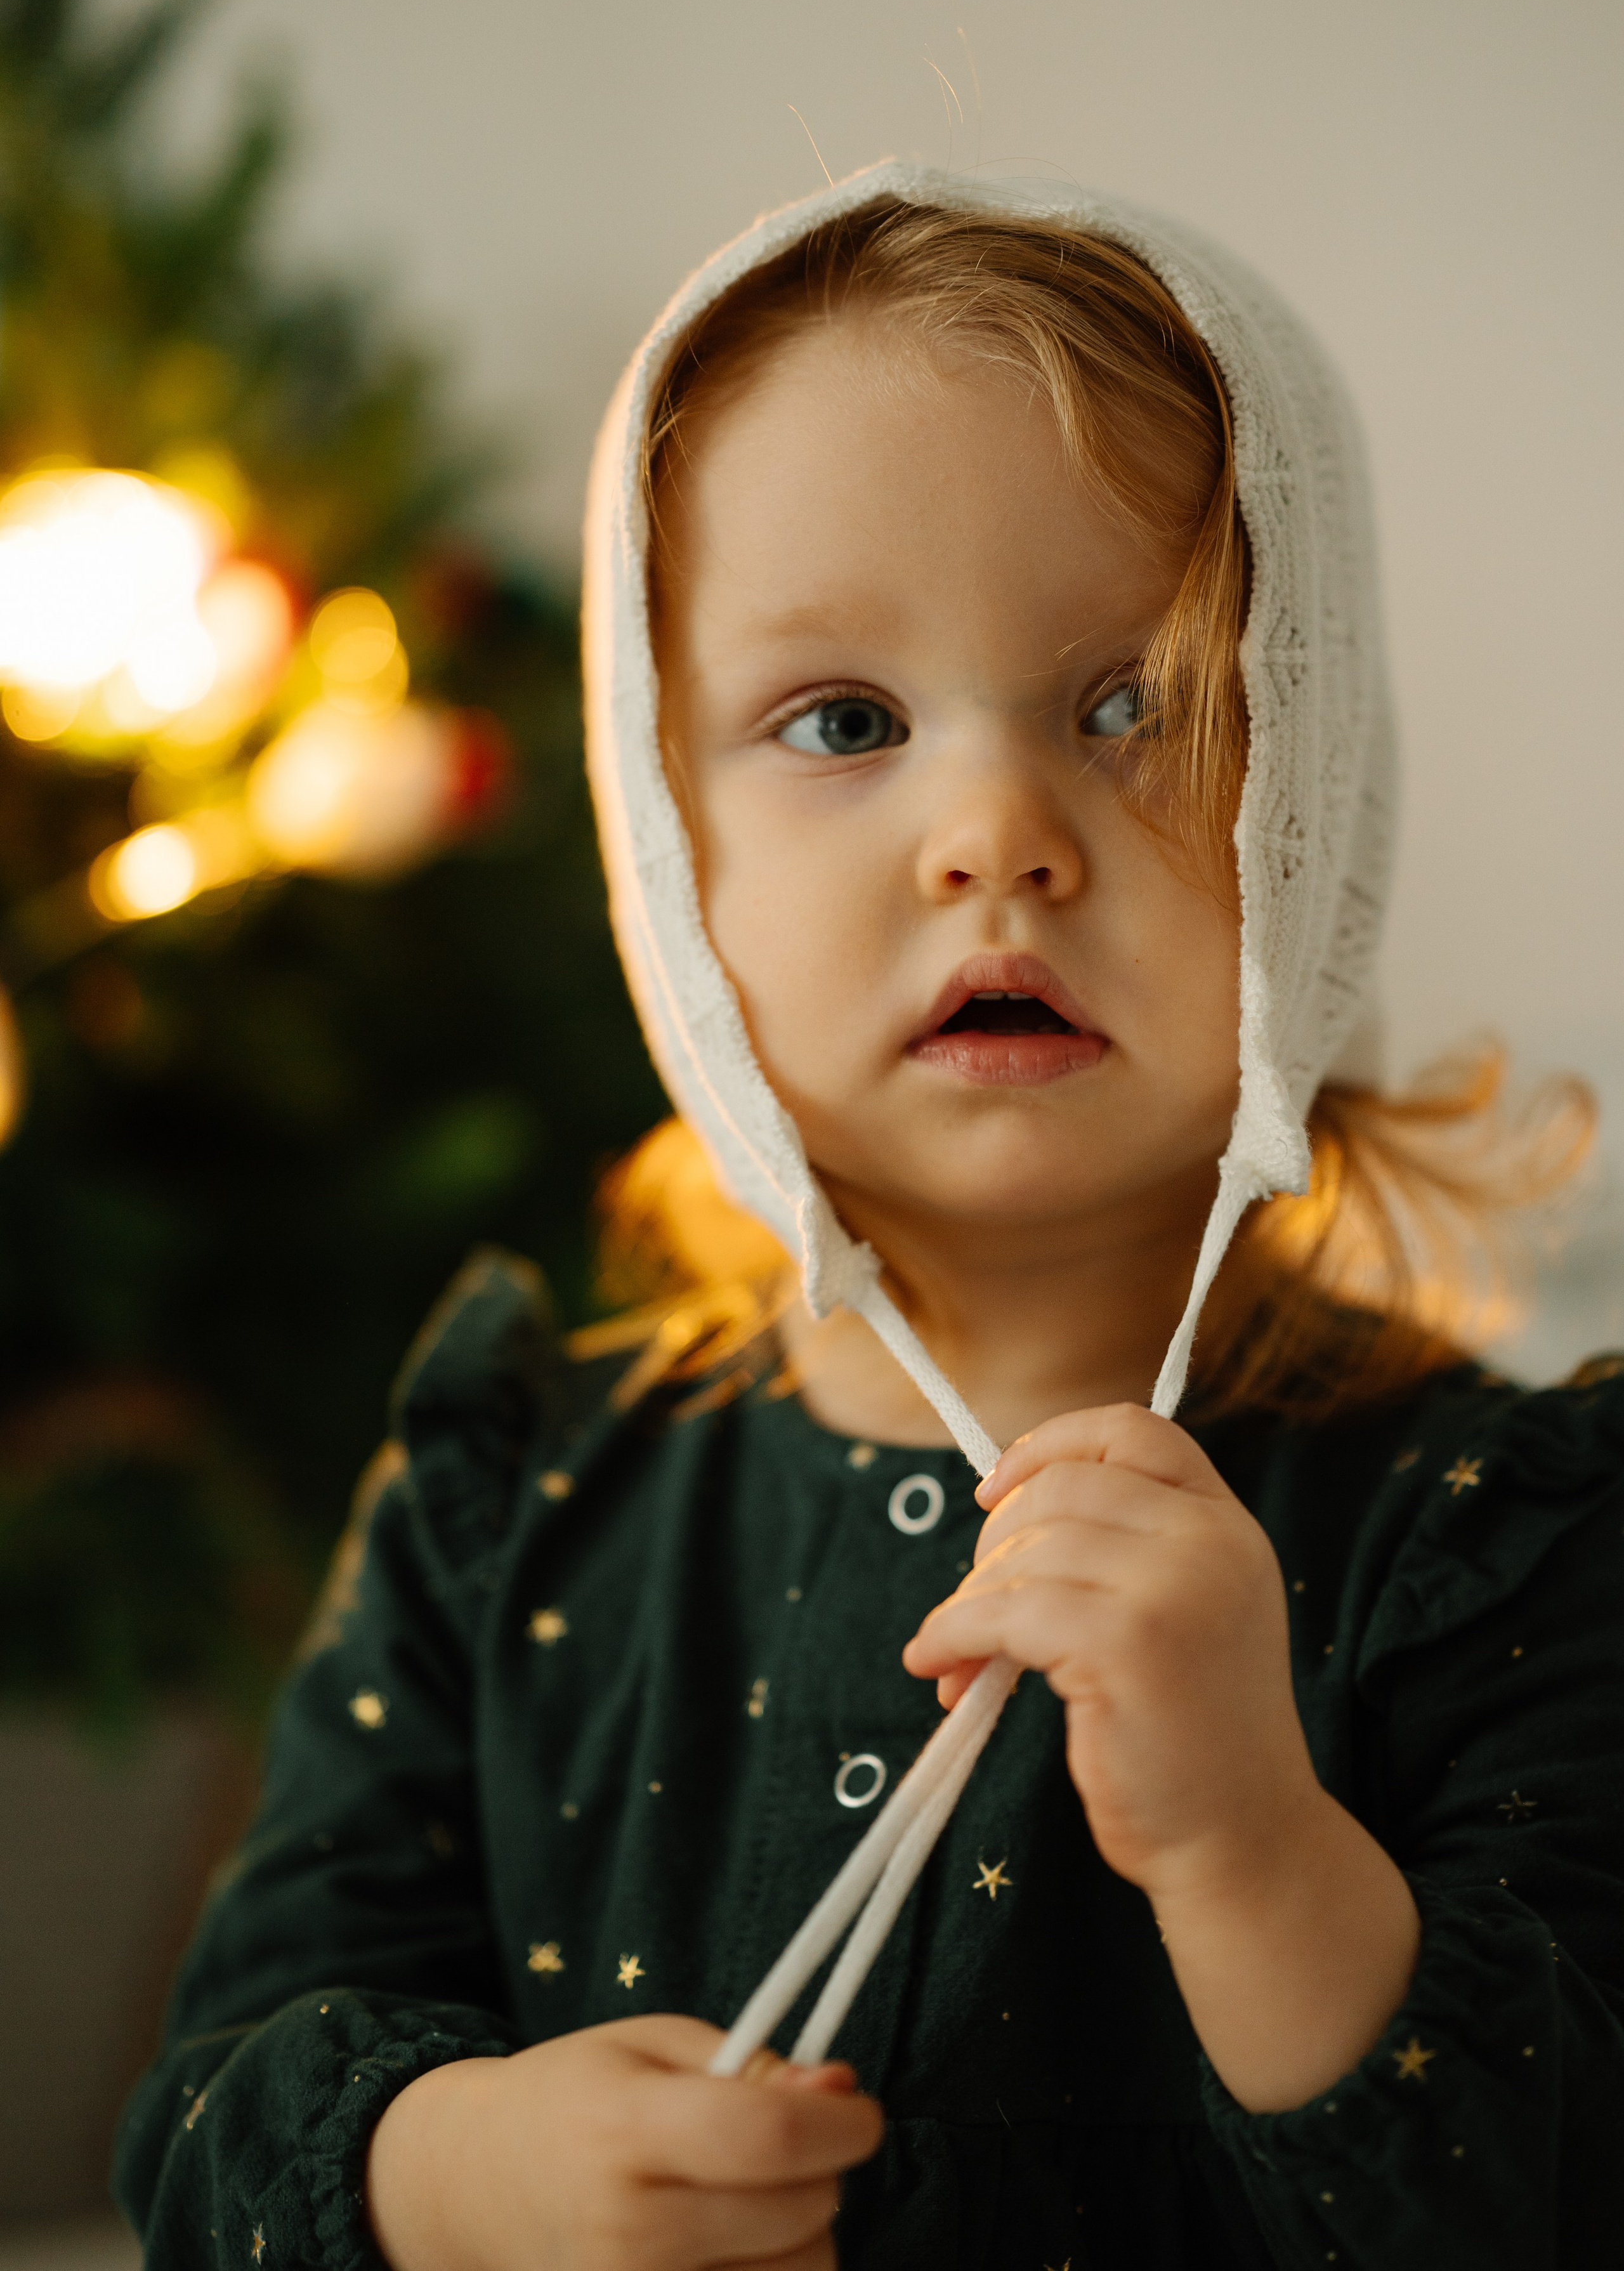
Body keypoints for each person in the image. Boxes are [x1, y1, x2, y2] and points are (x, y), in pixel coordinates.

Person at [115, 166, 1623, 2271]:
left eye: (1132, 704)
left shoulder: (1490, 1533)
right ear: (668, 844)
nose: (996, 833)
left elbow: (1556, 2193)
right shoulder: (511, 1499)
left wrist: (1251, 1841)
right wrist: (458, 2170)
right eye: (842, 722)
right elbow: (207, 2110)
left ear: (1317, 805)